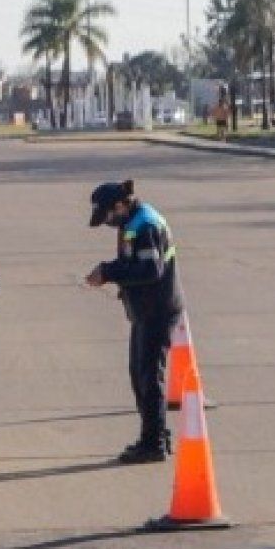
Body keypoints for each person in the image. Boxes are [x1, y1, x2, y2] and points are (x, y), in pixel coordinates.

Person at [85, 179, 184, 463]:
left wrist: (108, 272)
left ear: (121, 205)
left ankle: (153, 444)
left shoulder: (146, 225)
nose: (108, 222)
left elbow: (150, 269)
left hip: (157, 310)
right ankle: (155, 436)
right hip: (145, 310)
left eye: (108, 215)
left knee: (150, 377)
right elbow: (135, 264)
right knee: (139, 374)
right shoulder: (134, 222)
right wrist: (112, 271)